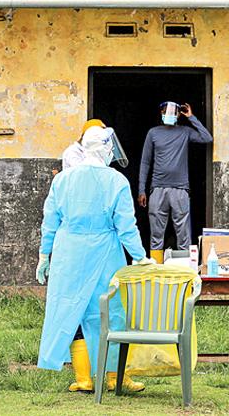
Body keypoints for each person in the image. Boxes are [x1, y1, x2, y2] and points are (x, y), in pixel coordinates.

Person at [36, 126, 154, 394]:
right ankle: (114, 376)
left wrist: (45, 254)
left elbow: (50, 221)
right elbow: (126, 225)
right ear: (106, 149)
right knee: (111, 312)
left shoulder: (62, 180)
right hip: (105, 251)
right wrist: (139, 256)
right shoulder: (117, 181)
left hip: (69, 253)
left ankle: (84, 378)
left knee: (71, 309)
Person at [138, 101, 213, 264]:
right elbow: (145, 162)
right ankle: (155, 268)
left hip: (180, 189)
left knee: (183, 234)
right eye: (166, 111)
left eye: (173, 111)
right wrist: (141, 190)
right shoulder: (153, 133)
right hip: (157, 188)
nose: (169, 114)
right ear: (161, 113)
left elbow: (207, 138)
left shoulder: (185, 131)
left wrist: (191, 117)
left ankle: (184, 271)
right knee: (156, 235)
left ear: (179, 114)